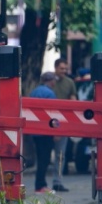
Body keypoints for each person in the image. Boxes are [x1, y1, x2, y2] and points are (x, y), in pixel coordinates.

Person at [50, 59, 78, 192]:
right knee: (44, 154)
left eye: (65, 69)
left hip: (62, 122)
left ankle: (57, 181)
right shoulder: (49, 80)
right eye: (61, 68)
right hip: (46, 120)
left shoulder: (69, 82)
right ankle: (41, 182)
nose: (64, 71)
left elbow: (73, 100)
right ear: (55, 68)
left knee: (60, 154)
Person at [30, 72, 58, 194]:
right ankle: (41, 185)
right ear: (51, 81)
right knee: (44, 159)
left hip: (35, 131)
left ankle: (40, 184)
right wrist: (56, 130)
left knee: (40, 158)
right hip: (46, 131)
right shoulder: (50, 93)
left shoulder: (34, 92)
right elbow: (52, 113)